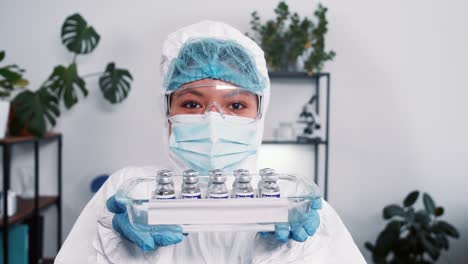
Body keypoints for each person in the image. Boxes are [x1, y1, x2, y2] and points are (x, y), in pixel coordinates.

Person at [55, 20, 366, 264]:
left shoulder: (293, 203)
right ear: (167, 112)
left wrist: (290, 254)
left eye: (235, 106)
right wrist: (126, 252)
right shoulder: (130, 194)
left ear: (259, 115)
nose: (213, 121)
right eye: (192, 104)